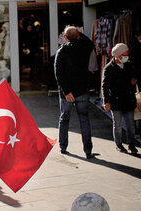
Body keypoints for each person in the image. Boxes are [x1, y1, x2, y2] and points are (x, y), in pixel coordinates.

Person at [54, 26, 96, 159]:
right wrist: (79, 34)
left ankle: (63, 147)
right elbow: (90, 43)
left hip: (67, 93)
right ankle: (88, 150)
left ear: (65, 37)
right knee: (84, 119)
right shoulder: (84, 47)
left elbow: (58, 74)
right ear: (78, 36)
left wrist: (66, 92)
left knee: (64, 118)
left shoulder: (62, 51)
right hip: (82, 90)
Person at [102, 43, 139, 154]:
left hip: (128, 99)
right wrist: (106, 101)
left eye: (127, 54)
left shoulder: (129, 65)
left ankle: (131, 144)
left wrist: (133, 81)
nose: (126, 57)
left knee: (130, 125)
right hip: (116, 101)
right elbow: (105, 86)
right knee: (117, 125)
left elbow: (134, 77)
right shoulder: (108, 68)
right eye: (124, 55)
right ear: (117, 56)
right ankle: (119, 144)